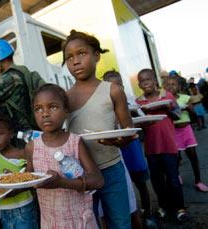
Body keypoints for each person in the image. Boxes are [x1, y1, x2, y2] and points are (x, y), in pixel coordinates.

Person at [64, 30, 134, 229]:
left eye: (82, 53)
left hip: (112, 167)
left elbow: (129, 130)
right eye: (69, 58)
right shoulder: (64, 98)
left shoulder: (113, 90)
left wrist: (124, 140)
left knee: (120, 223)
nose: (75, 61)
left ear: (96, 55)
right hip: (80, 173)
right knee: (88, 222)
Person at [24, 83, 104, 228]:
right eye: (38, 109)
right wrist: (11, 182)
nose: (45, 113)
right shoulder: (31, 147)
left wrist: (62, 183)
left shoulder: (75, 142)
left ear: (66, 110)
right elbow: (27, 181)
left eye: (53, 107)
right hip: (51, 222)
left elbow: (98, 180)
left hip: (80, 220)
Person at [103, 70, 156, 228]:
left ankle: (147, 214)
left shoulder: (130, 102)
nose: (115, 89)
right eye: (110, 86)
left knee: (141, 183)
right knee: (124, 189)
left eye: (118, 85)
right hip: (116, 154)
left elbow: (141, 120)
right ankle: (131, 216)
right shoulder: (104, 107)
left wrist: (135, 119)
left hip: (133, 151)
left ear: (123, 86)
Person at [136, 68, 189, 223]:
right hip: (151, 148)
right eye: (142, 81)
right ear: (139, 85)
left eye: (148, 79)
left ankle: (180, 208)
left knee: (173, 179)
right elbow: (139, 129)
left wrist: (168, 109)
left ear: (155, 81)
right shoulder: (139, 103)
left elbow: (178, 115)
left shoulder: (167, 96)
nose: (146, 83)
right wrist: (138, 116)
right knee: (157, 181)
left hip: (169, 146)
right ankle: (163, 207)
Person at [0, 39, 45, 147]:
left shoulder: (7, 78)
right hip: (32, 129)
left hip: (21, 136)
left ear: (0, 59)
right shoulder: (22, 71)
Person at [0, 114, 39, 229]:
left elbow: (32, 179)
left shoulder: (22, 154)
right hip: (5, 208)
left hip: (24, 207)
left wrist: (16, 187)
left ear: (11, 134)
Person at [166, 77, 208, 192]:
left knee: (193, 156)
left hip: (186, 130)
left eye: (173, 84)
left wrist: (190, 109)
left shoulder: (186, 98)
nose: (171, 87)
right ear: (165, 87)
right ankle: (177, 175)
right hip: (173, 131)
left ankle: (198, 181)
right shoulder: (165, 100)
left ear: (179, 87)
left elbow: (195, 115)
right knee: (176, 157)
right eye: (168, 84)